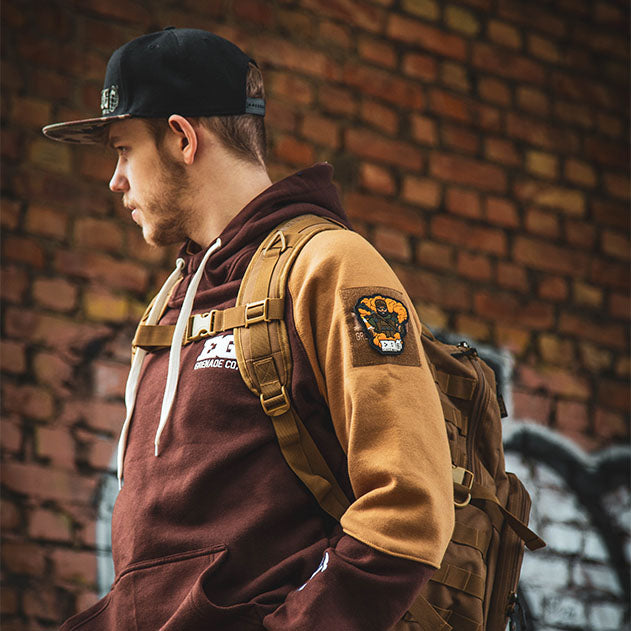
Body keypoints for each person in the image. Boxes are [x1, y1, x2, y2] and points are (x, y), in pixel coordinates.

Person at [43, 27, 454, 631]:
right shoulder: (169, 303)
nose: (116, 180)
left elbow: (409, 506)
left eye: (123, 149)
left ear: (182, 138)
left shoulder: (329, 266)